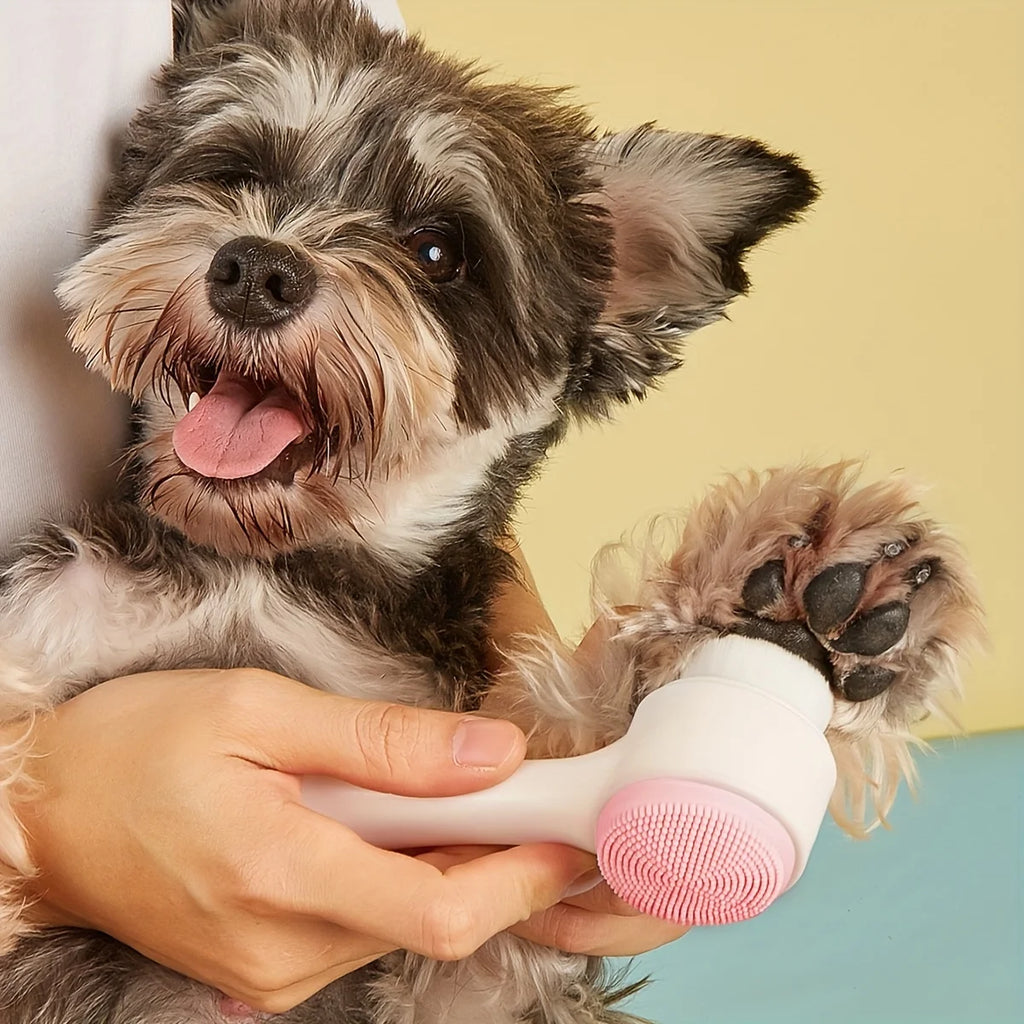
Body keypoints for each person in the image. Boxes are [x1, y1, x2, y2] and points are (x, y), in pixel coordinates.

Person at [0, 0, 685, 1013]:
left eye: (432, 256)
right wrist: (50, 838)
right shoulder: (55, 607)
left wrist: (592, 761)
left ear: (603, 316)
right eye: (238, 171)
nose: (263, 258)